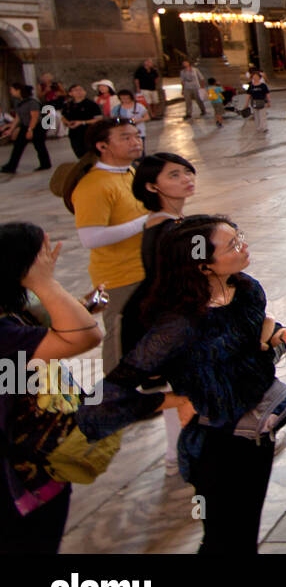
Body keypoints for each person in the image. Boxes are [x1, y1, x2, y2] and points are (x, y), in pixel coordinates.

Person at [80, 217, 286, 554]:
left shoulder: (245, 289)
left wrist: (282, 336)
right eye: (232, 245)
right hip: (217, 446)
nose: (244, 246)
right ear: (202, 266)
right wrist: (176, 400)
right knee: (221, 539)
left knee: (245, 533)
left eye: (239, 237)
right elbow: (108, 395)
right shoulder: (179, 323)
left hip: (256, 431)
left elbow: (256, 335)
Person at [0, 224, 103, 553]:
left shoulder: (14, 317)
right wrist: (44, 282)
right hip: (21, 474)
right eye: (42, 258)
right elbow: (85, 335)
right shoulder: (6, 332)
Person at [122, 152, 198, 475]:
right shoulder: (167, 230)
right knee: (180, 389)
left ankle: (176, 456)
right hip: (162, 319)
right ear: (152, 186)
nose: (186, 179)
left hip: (158, 315)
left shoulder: (168, 223)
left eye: (186, 172)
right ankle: (181, 457)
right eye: (174, 176)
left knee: (176, 390)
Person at [72, 118, 147, 372]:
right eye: (125, 137)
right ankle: (116, 399)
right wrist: (148, 222)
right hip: (118, 277)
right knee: (119, 338)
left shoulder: (130, 171)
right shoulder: (94, 186)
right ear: (102, 146)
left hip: (144, 268)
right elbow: (90, 238)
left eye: (136, 135)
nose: (135, 141)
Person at [2, 84, 51, 173]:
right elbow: (18, 117)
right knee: (18, 146)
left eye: (12, 90)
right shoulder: (18, 102)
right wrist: (11, 130)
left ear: (18, 91)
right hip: (25, 126)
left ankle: (45, 164)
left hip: (36, 127)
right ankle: (11, 166)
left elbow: (34, 117)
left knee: (39, 145)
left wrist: (30, 130)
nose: (11, 92)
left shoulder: (32, 102)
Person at [61, 84, 102, 158]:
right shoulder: (68, 105)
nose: (79, 92)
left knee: (91, 154)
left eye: (81, 90)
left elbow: (98, 119)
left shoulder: (91, 104)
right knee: (79, 154)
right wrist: (67, 123)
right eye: (76, 90)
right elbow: (63, 117)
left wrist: (82, 122)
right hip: (74, 134)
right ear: (70, 93)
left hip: (89, 132)